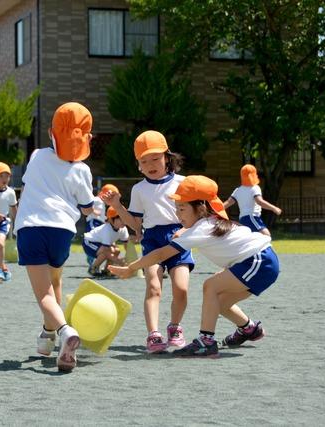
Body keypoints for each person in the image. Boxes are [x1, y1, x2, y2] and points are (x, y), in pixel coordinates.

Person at [109, 175, 279, 358]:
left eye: (181, 209)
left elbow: (159, 254)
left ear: (200, 208)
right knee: (218, 304)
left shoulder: (202, 228)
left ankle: (206, 342)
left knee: (210, 286)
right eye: (176, 209)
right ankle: (249, 329)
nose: (177, 214)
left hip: (258, 261)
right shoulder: (208, 223)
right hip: (261, 262)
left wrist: (130, 268)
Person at [14, 102, 95, 372]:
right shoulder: (82, 170)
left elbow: (28, 186)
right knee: (55, 280)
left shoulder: (37, 155)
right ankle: (48, 336)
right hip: (62, 231)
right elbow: (86, 206)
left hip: (31, 228)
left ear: (52, 132)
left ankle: (64, 331)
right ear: (87, 137)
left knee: (44, 295)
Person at [102, 130, 194, 353]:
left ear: (167, 158)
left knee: (181, 289)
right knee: (153, 286)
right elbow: (135, 224)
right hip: (152, 239)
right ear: (138, 165)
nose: (151, 164)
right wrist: (117, 205)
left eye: (155, 158)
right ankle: (154, 334)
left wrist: (185, 230)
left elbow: (195, 215)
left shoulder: (184, 183)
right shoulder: (139, 189)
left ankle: (175, 327)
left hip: (179, 238)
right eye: (144, 161)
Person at [223, 164, 281, 235]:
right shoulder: (255, 188)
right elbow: (259, 202)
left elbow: (228, 202)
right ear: (254, 175)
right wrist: (274, 208)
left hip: (242, 219)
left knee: (251, 239)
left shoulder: (238, 190)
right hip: (252, 217)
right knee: (266, 235)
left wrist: (215, 210)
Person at [82, 206, 129, 277]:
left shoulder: (123, 229)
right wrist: (121, 263)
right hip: (89, 243)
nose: (124, 221)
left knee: (116, 250)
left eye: (125, 217)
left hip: (101, 244)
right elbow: (106, 251)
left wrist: (131, 258)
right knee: (105, 253)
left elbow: (127, 244)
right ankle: (93, 268)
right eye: (120, 218)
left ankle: (107, 270)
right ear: (110, 219)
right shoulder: (107, 229)